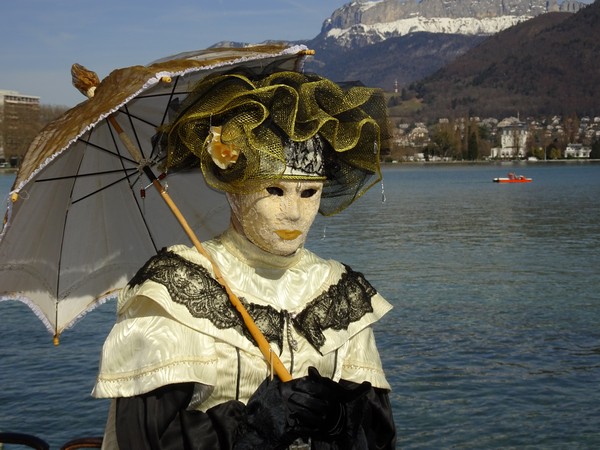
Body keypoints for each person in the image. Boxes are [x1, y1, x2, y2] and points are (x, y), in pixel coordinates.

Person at [93, 69, 396, 449]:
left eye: (308, 192)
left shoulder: (336, 289)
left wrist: (339, 420)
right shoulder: (176, 286)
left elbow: (379, 434)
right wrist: (254, 423)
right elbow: (147, 437)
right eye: (274, 190)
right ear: (234, 190)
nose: (294, 213)